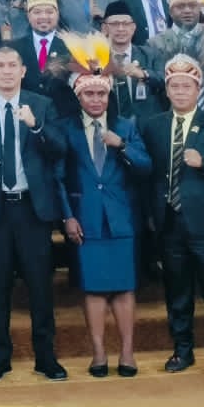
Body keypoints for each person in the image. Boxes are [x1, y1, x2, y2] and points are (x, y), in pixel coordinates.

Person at [0, 44, 70, 381]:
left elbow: (59, 150)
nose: (7, 71)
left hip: (32, 210)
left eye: (13, 65)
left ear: (23, 71)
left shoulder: (41, 104)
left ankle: (46, 356)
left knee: (40, 287)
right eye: (0, 66)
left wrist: (36, 126)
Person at [137, 55, 204, 378]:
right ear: (167, 90)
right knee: (177, 291)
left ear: (198, 89)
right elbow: (147, 174)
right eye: (175, 86)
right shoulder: (153, 125)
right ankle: (182, 349)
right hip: (169, 221)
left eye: (187, 86)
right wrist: (150, 214)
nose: (181, 91)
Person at [63, 56, 152, 378]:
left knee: (125, 287)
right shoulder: (67, 129)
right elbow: (58, 177)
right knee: (94, 288)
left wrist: (122, 146)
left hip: (121, 218)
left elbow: (146, 166)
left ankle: (127, 352)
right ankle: (98, 352)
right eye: (89, 94)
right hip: (86, 218)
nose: (96, 100)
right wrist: (67, 216)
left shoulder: (125, 126)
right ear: (79, 96)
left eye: (101, 94)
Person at [12, 0, 73, 115]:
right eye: (37, 12)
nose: (44, 17)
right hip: (24, 115)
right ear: (28, 16)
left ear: (58, 14)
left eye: (49, 12)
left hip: (62, 116)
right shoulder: (14, 48)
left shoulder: (72, 47)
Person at [100, 4, 163, 122]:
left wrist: (143, 74)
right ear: (104, 28)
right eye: (114, 24)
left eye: (126, 24)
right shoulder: (96, 59)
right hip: (108, 124)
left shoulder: (150, 54)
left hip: (146, 124)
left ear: (133, 28)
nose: (121, 29)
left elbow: (165, 81)